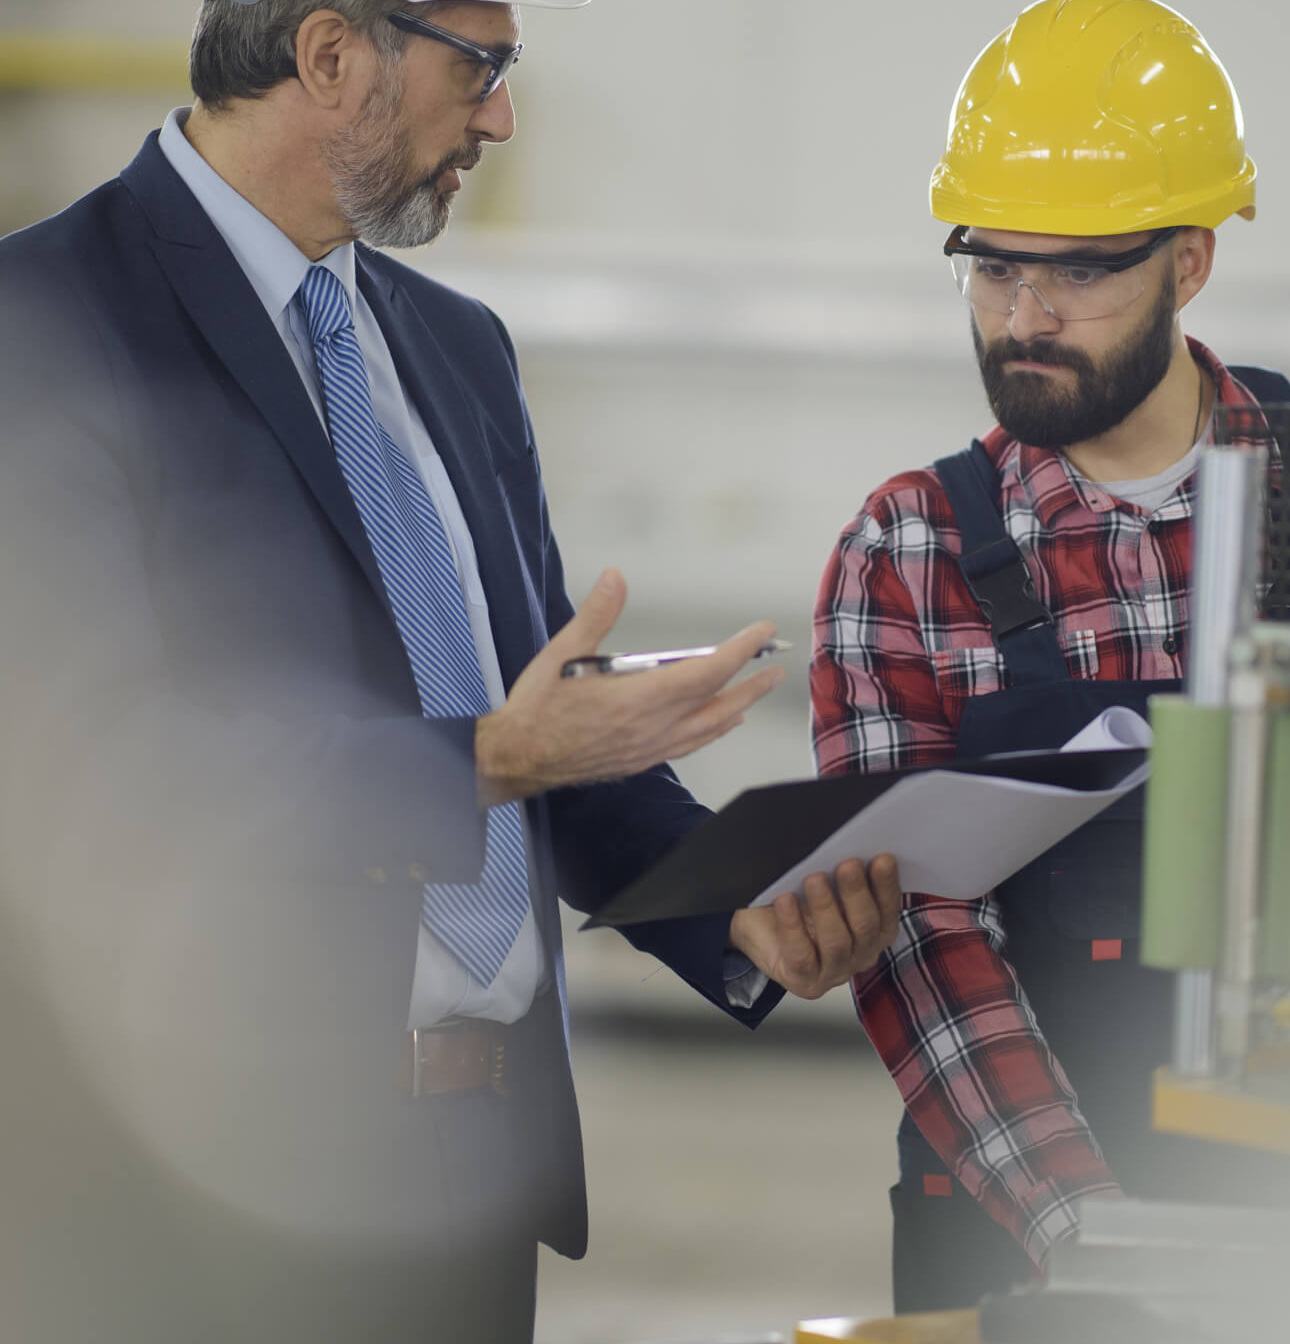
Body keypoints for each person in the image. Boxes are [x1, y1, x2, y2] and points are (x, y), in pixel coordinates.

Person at [0, 2, 903, 1340]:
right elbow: (107, 770)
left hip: (468, 1175)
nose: (501, 119)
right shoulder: (47, 325)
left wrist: (733, 908)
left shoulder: (451, 350)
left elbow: (551, 746)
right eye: (480, 69)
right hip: (188, 1194)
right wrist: (488, 758)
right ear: (329, 56)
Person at [810, 0, 1290, 1316]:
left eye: (1076, 272)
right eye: (992, 267)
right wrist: (1084, 1228)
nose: (1023, 315)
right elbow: (914, 934)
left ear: (1187, 262)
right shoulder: (907, 548)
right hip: (1018, 1225)